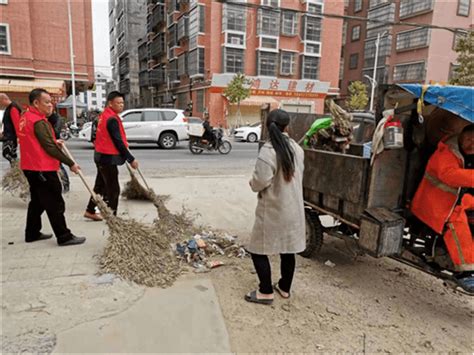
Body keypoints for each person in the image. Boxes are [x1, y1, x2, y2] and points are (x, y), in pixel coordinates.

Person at [245, 109, 305, 305]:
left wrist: (252, 184)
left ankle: (265, 292)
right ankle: (285, 288)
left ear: (267, 126)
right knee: (288, 249)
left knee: (257, 249)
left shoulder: (268, 151)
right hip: (294, 209)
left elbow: (260, 182)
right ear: (287, 127)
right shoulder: (297, 149)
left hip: (273, 209)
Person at [18, 88, 85, 246]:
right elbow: (49, 148)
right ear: (36, 102)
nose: (51, 106)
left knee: (37, 201)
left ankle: (32, 232)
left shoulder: (26, 117)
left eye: (51, 102)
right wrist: (70, 163)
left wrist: (55, 141)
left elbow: (37, 141)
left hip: (30, 167)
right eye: (46, 102)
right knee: (55, 202)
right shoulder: (38, 121)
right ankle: (64, 236)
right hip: (42, 168)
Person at [411, 124, 474, 291]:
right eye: (470, 139)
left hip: (453, 201)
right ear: (462, 135)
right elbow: (450, 176)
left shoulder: (467, 155)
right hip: (433, 204)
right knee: (457, 221)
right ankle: (466, 272)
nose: (472, 145)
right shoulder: (446, 152)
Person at [84, 91, 138, 220]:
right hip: (107, 157)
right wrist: (131, 159)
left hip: (100, 155)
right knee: (113, 189)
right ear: (110, 103)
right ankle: (112, 216)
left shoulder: (104, 115)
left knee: (100, 186)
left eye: (122, 103)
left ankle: (90, 210)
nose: (121, 105)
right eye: (118, 103)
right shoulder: (112, 118)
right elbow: (117, 141)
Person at [48, 111, 70, 193]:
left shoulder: (56, 119)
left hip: (55, 143)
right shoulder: (48, 118)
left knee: (58, 164)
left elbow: (56, 132)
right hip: (52, 142)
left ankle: (66, 184)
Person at [0, 93, 22, 164]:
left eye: (0, 102)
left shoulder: (13, 108)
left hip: (12, 136)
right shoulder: (9, 108)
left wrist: (19, 137)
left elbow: (16, 123)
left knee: (7, 153)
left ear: (4, 99)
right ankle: (14, 167)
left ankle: (16, 166)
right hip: (8, 135)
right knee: (10, 153)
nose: (1, 104)